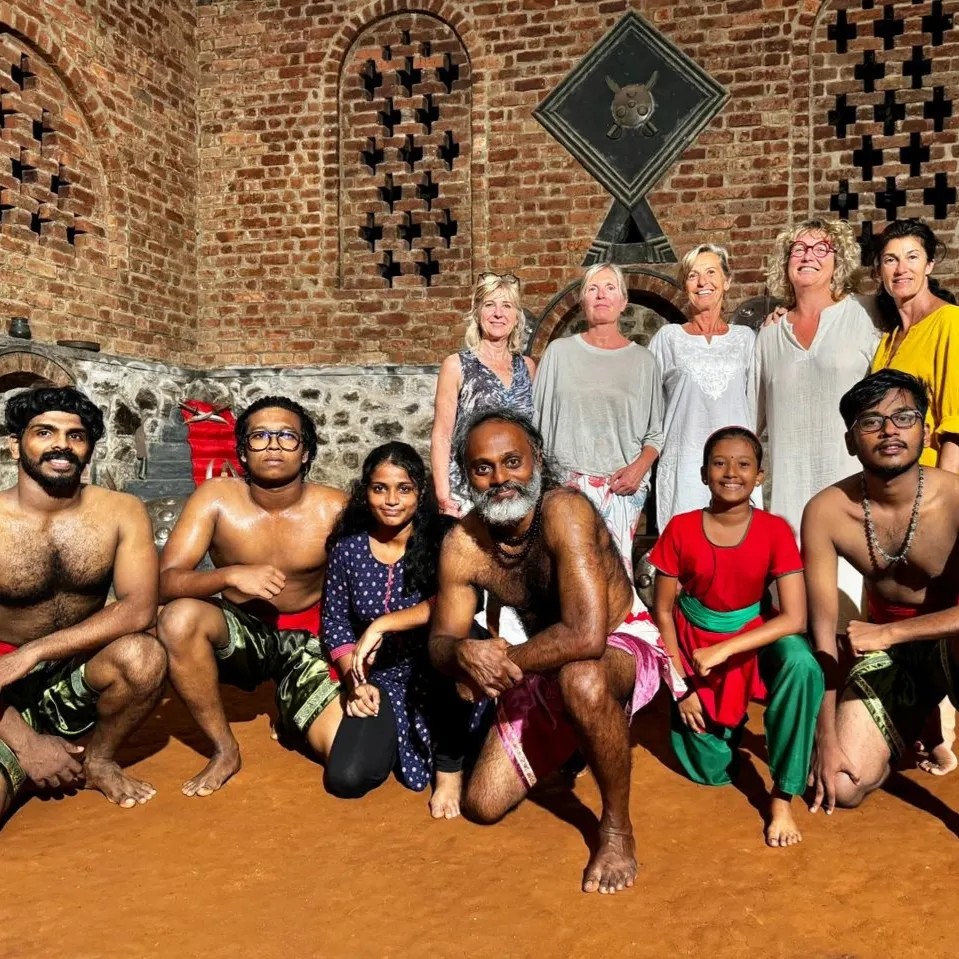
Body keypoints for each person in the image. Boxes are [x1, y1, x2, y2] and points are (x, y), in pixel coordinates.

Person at [429, 409, 682, 894]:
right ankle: (580, 734)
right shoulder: (463, 545)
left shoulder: (565, 510)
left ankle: (615, 828)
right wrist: (464, 653)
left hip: (617, 641)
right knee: (481, 804)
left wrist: (498, 663)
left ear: (537, 459)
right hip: (540, 655)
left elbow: (586, 636)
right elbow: (440, 643)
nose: (500, 478)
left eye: (512, 461)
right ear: (466, 477)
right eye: (483, 468)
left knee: (582, 679)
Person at [156, 395, 347, 796]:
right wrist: (231, 575)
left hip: (310, 641)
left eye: (286, 436)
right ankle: (225, 748)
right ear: (242, 451)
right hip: (244, 634)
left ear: (306, 451)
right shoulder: (216, 498)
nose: (273, 445)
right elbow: (166, 581)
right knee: (177, 618)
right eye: (259, 436)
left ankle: (293, 708)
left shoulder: (334, 508)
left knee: (344, 755)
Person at [649, 427, 822, 847]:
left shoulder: (775, 530)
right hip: (693, 647)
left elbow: (795, 618)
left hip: (751, 640)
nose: (731, 473)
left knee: (801, 663)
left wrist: (726, 648)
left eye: (744, 464)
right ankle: (724, 724)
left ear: (759, 475)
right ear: (703, 472)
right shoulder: (681, 528)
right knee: (711, 771)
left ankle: (782, 795)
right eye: (720, 463)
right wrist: (681, 687)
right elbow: (663, 611)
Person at [0, 387, 166, 821]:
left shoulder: (120, 510)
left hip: (70, 668)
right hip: (1, 689)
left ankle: (98, 759)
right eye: (44, 432)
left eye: (76, 435)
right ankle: (27, 752)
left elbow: (139, 610)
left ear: (89, 448)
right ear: (15, 445)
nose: (62, 444)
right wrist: (26, 743)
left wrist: (35, 651)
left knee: (144, 655)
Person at [802, 369, 959, 812]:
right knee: (843, 783)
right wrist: (825, 736)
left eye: (904, 417)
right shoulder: (825, 512)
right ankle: (911, 724)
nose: (889, 430)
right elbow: (821, 634)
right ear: (851, 441)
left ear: (926, 432)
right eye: (871, 421)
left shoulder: (956, 498)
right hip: (894, 659)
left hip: (948, 642)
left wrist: (889, 634)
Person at [321, 442, 467, 817]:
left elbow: (460, 601)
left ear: (420, 491)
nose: (391, 500)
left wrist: (383, 624)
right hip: (381, 677)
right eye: (379, 488)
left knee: (455, 651)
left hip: (439, 671)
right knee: (347, 777)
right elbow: (335, 621)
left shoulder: (443, 540)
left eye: (404, 489)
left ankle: (449, 769)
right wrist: (356, 680)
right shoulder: (348, 550)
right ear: (365, 492)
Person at [750, 217, 881, 624]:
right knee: (796, 621)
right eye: (798, 249)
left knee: (852, 617)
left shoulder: (865, 315)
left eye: (820, 248)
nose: (808, 256)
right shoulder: (769, 336)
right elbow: (752, 421)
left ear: (838, 260)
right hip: (789, 502)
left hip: (851, 492)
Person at [870, 219, 959, 775]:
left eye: (910, 257)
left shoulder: (950, 323)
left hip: (932, 491)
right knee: (901, 603)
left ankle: (946, 732)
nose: (900, 268)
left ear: (930, 264)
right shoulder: (886, 340)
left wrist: (941, 499)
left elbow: (955, 420)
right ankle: (928, 726)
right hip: (889, 496)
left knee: (939, 605)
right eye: (889, 259)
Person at [534, 262, 663, 576]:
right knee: (566, 578)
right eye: (592, 288)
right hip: (564, 484)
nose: (601, 295)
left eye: (609, 288)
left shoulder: (643, 361)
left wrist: (638, 470)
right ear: (582, 301)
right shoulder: (559, 353)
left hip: (621, 487)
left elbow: (656, 434)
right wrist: (546, 484)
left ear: (623, 302)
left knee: (614, 578)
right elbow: (534, 424)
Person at [648, 244, 759, 530]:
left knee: (740, 554)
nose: (702, 282)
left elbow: (757, 403)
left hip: (737, 467)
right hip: (684, 465)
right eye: (692, 275)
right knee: (686, 555)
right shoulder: (668, 338)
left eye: (711, 272)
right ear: (685, 285)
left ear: (727, 281)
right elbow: (647, 406)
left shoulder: (746, 339)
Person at [431, 271, 536, 518]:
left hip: (517, 493)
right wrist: (444, 497)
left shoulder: (528, 367)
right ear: (478, 312)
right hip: (469, 492)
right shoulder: (456, 365)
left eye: (507, 306)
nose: (498, 313)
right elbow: (442, 434)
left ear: (516, 316)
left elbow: (532, 437)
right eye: (490, 305)